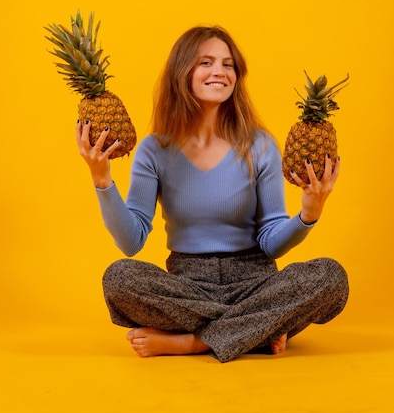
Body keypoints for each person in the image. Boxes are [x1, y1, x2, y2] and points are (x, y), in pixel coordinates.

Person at [76, 25, 349, 363]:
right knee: (119, 278)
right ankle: (258, 328)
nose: (219, 71)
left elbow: (271, 242)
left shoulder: (260, 145)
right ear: (183, 73)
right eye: (206, 62)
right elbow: (131, 242)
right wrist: (101, 177)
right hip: (188, 285)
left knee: (330, 277)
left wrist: (309, 213)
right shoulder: (154, 150)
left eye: (228, 64)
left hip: (256, 280)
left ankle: (196, 342)